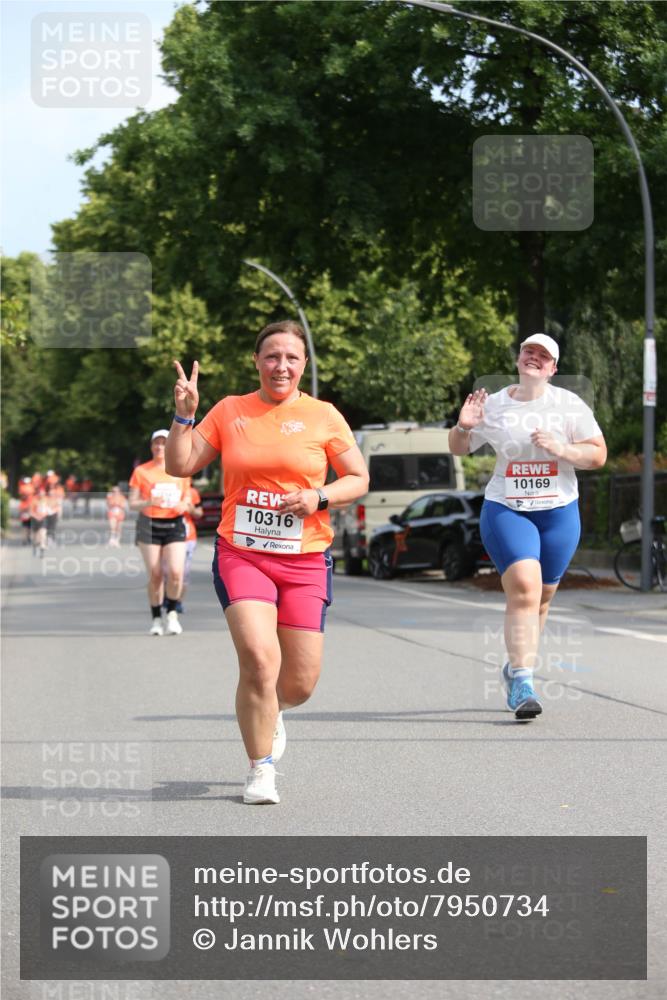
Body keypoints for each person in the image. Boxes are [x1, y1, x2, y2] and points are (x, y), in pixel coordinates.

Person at [165, 320, 369, 804]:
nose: (281, 366)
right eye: (272, 356)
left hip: (305, 559)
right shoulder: (231, 410)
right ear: (256, 362)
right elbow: (179, 466)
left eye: (291, 358)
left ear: (303, 365)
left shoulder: (323, 416)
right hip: (243, 552)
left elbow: (358, 479)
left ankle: (272, 710)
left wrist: (318, 496)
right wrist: (183, 416)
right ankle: (260, 768)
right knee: (258, 659)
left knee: (298, 684)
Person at [449, 333, 607, 721]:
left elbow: (598, 454)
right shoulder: (496, 404)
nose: (534, 358)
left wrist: (563, 450)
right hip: (508, 508)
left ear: (553, 369)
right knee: (523, 587)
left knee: (542, 597)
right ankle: (522, 680)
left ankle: (516, 665)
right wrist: (464, 426)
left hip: (558, 511)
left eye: (543, 356)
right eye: (528, 352)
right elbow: (458, 448)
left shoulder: (569, 405)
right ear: (519, 359)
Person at [128, 430, 189, 636]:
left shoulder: (180, 469)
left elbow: (188, 499)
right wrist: (148, 502)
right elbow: (132, 503)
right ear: (151, 446)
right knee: (155, 574)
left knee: (175, 572)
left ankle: (172, 614)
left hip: (174, 524)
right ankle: (156, 618)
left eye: (164, 443)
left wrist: (183, 504)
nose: (160, 447)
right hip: (149, 525)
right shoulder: (141, 472)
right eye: (157, 443)